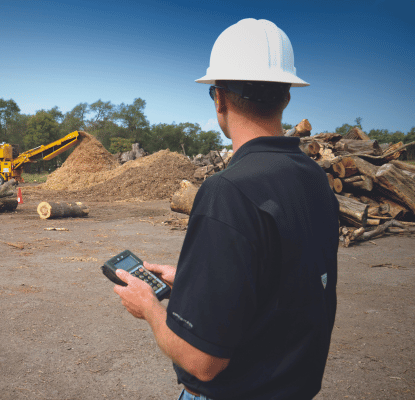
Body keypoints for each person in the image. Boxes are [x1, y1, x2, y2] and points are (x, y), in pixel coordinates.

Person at [113, 18, 339, 399]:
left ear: (218, 97)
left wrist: (149, 307)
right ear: (286, 97)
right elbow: (280, 285)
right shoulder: (312, 177)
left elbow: (202, 361)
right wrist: (191, 280)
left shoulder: (229, 190)